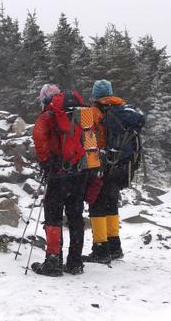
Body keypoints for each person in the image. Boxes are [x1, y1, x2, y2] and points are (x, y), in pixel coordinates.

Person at [31, 84, 88, 276]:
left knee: (53, 217)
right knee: (76, 217)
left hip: (58, 173)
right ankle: (75, 262)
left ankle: (53, 261)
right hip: (80, 172)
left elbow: (39, 138)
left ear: (45, 99)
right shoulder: (80, 114)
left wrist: (46, 162)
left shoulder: (47, 117)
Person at [83, 79, 126, 264]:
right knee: (111, 204)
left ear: (95, 95)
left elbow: (88, 138)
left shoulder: (91, 112)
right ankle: (114, 246)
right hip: (119, 165)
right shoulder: (122, 109)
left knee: (97, 205)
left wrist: (91, 167)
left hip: (100, 164)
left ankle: (100, 249)